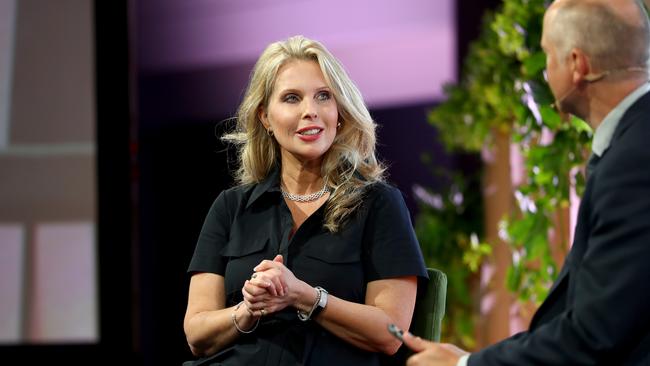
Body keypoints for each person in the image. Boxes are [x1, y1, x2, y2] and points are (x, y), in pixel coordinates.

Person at [401, 0, 650, 365]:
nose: (545, 73)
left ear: (576, 65)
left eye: (547, 55)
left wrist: (464, 365)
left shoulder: (634, 160)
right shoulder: (633, 144)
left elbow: (594, 336)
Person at [182, 35, 429, 366]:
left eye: (323, 96)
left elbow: (391, 333)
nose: (310, 111)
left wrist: (304, 296)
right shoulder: (230, 207)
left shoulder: (379, 204)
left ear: (339, 112)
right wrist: (247, 310)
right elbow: (197, 334)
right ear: (265, 118)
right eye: (292, 98)